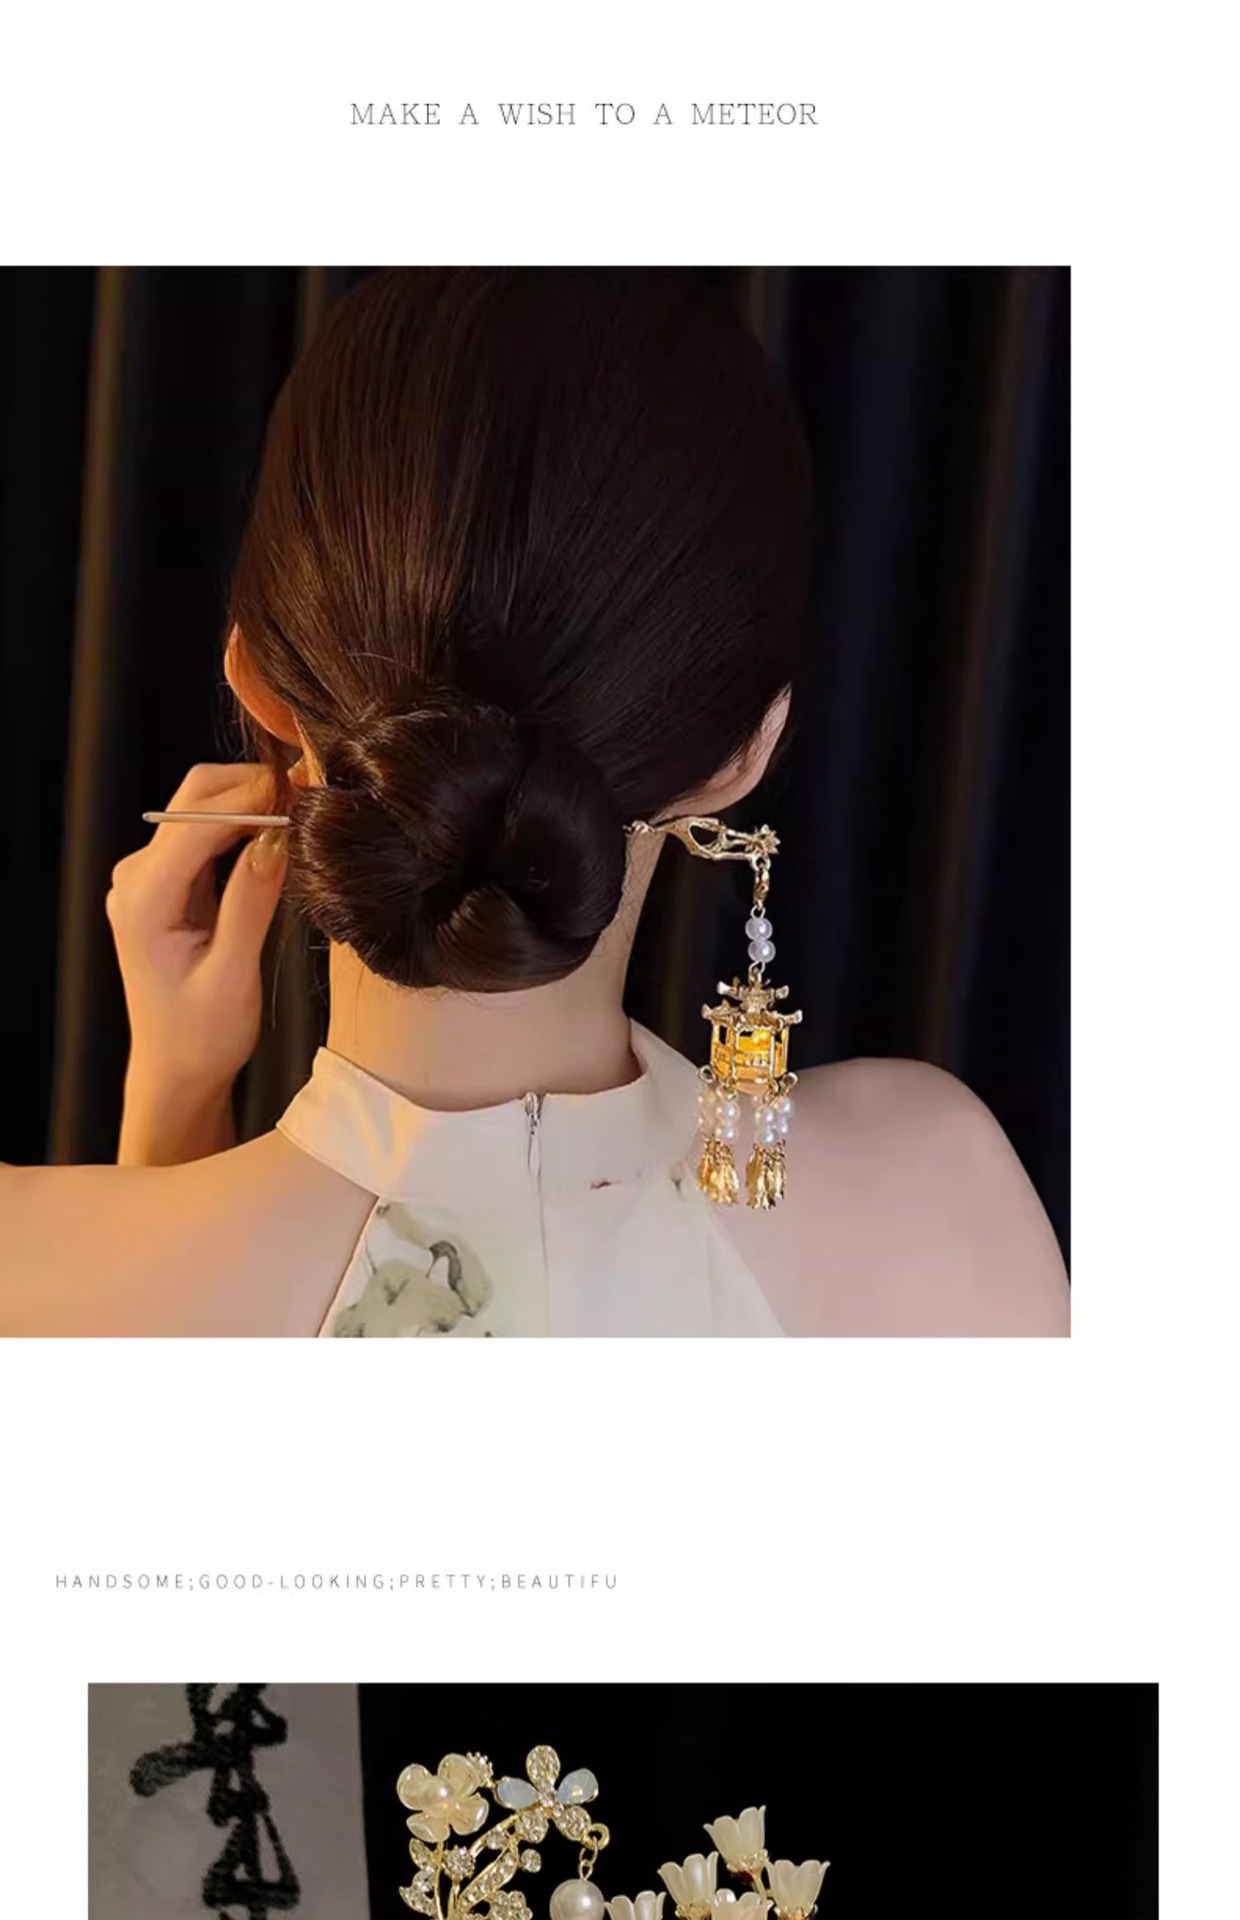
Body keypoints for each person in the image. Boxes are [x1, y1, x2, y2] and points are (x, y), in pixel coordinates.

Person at [0, 268, 1068, 1336]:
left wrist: (175, 1100)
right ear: (745, 751)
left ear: (258, 685)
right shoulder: (943, 1191)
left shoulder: (35, 1270)